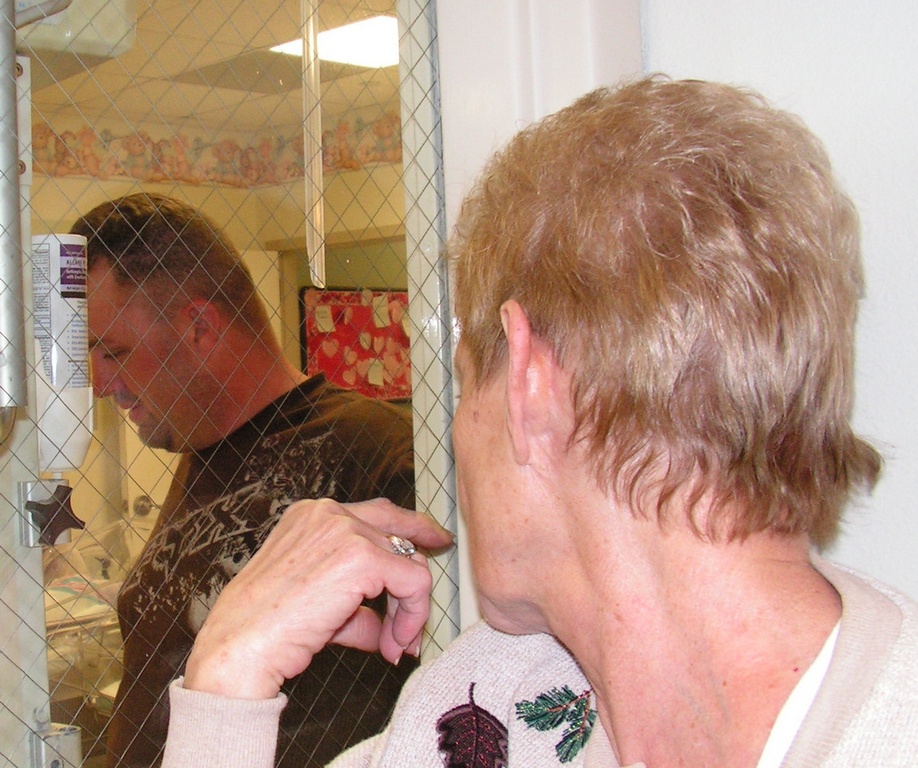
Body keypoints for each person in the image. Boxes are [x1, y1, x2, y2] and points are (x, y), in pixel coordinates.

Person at [160, 77, 918, 767]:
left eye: (466, 385)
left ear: (527, 385)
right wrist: (228, 681)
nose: (459, 434)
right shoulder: (489, 704)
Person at [72, 193, 419, 768]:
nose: (101, 383)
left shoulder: (377, 453)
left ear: (199, 327)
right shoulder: (202, 449)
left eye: (113, 353)